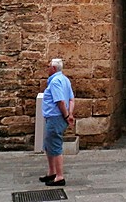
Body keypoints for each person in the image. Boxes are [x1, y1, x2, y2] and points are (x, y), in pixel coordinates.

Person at [39, 58, 75, 187]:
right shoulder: (65, 80)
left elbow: (60, 101)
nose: (47, 68)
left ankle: (59, 176)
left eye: (49, 66)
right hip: (57, 117)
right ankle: (51, 172)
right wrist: (70, 114)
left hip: (56, 117)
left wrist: (66, 116)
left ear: (54, 68)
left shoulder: (55, 82)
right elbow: (71, 99)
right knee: (49, 144)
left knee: (55, 145)